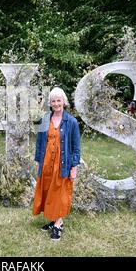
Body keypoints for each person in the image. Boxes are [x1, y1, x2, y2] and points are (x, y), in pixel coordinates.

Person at [32, 87, 81, 242]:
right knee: (48, 191)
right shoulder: (44, 119)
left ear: (63, 101)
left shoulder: (72, 122)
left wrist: (74, 167)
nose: (56, 103)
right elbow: (40, 143)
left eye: (59, 100)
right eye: (53, 101)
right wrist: (38, 162)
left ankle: (58, 225)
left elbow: (76, 147)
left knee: (60, 193)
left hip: (62, 164)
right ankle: (53, 220)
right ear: (50, 103)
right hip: (47, 162)